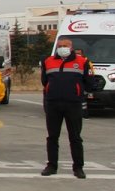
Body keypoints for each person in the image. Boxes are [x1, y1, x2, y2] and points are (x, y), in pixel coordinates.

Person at [41, 38, 95, 179]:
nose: (62, 48)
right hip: (53, 104)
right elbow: (44, 81)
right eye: (60, 46)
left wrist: (78, 92)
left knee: (75, 137)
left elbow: (89, 82)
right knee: (52, 137)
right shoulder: (48, 61)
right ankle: (51, 165)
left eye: (65, 46)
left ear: (71, 47)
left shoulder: (82, 61)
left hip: (73, 104)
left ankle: (78, 167)